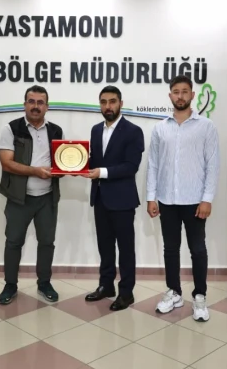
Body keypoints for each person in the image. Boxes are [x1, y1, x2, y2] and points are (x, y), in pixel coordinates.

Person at [146, 75, 220, 322]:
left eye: (185, 91)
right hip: (166, 199)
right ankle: (174, 292)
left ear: (192, 95)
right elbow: (153, 164)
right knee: (170, 249)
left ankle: (200, 296)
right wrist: (151, 197)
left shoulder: (206, 126)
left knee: (197, 249)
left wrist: (207, 198)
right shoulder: (160, 128)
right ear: (170, 96)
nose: (180, 96)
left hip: (195, 200)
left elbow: (213, 164)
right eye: (176, 92)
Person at [0, 85, 64, 305]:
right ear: (25, 104)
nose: (36, 106)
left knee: (47, 242)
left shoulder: (56, 131)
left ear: (47, 106)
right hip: (19, 198)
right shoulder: (11, 129)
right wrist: (35, 171)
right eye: (31, 101)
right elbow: (6, 163)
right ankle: (10, 285)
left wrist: (68, 168)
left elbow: (62, 162)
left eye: (40, 102)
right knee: (13, 242)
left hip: (47, 198)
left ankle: (44, 283)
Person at [84, 86, 144, 311]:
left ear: (120, 103)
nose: (107, 106)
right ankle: (106, 285)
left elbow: (131, 166)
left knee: (126, 249)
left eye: (112, 101)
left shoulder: (133, 131)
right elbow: (93, 160)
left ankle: (126, 293)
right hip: (100, 197)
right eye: (103, 102)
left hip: (123, 200)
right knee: (105, 246)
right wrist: (74, 163)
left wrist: (100, 172)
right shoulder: (95, 130)